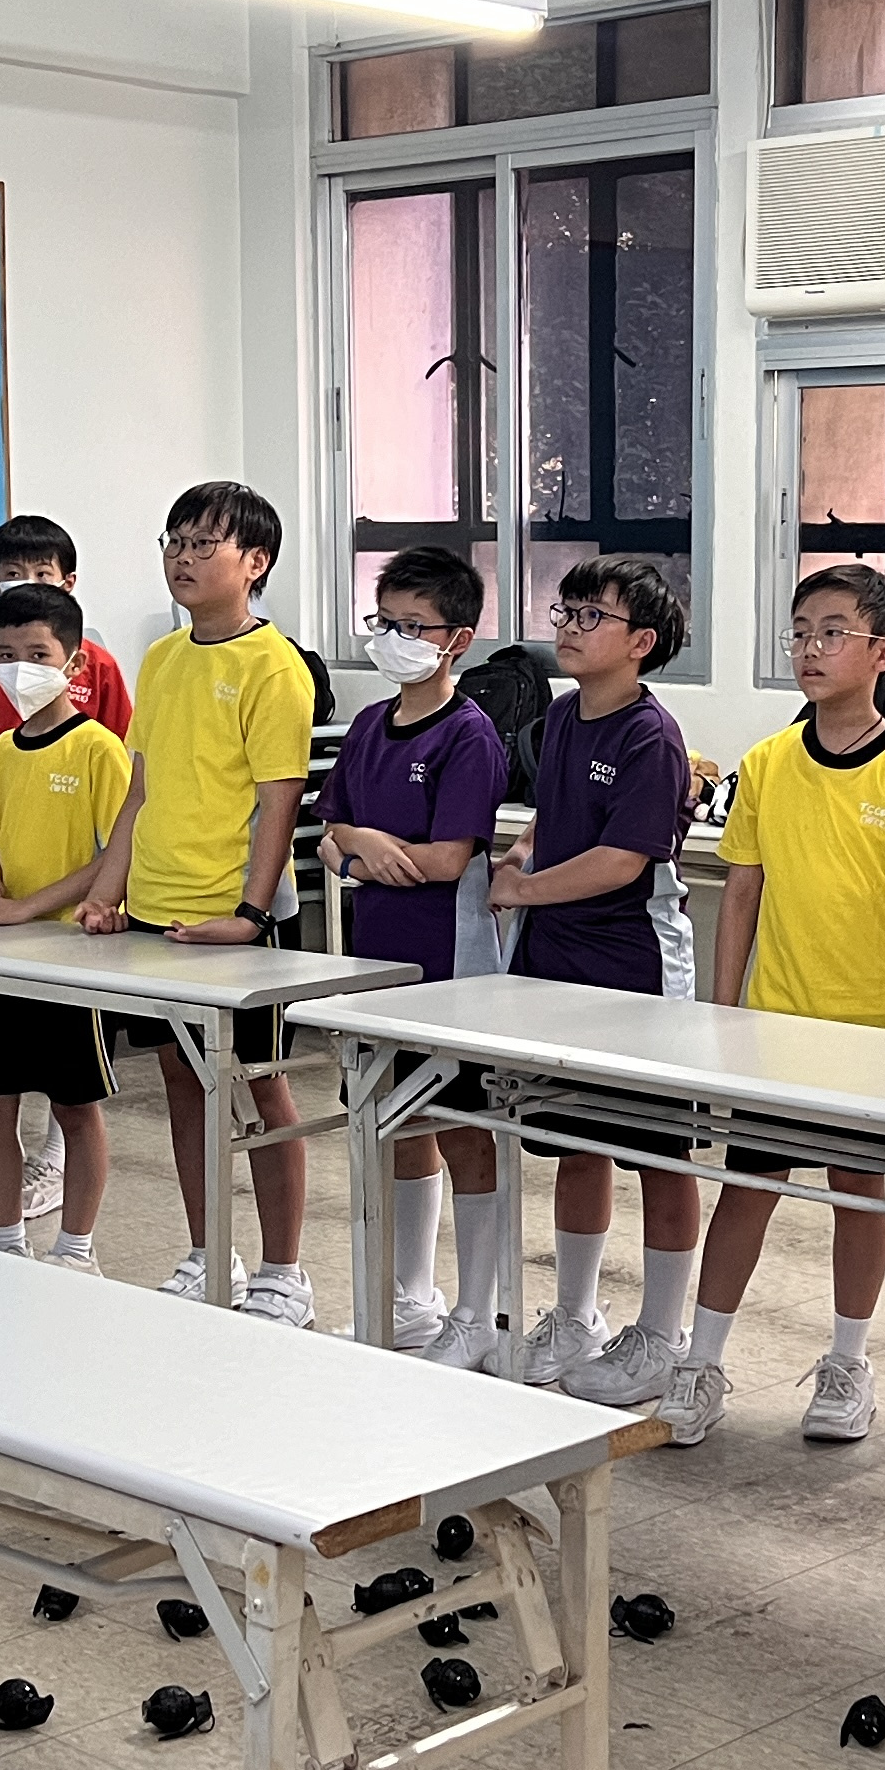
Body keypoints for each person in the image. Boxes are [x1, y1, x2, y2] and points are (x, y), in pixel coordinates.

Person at [657, 565, 885, 1447]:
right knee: (748, 1189)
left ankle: (848, 1364)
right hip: (774, 1028)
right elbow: (740, 897)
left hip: (866, 1036)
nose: (811, 649)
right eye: (800, 632)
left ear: (884, 653)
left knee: (857, 1191)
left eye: (833, 632)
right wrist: (721, 1015)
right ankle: (702, 1362)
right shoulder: (768, 764)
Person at [78, 481, 320, 1324]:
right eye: (174, 541)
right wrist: (106, 894)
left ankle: (285, 1274)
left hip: (235, 920)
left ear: (254, 563)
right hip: (156, 915)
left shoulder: (274, 667)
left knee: (261, 1088)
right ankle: (208, 1251)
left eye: (203, 544)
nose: (182, 558)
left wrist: (249, 917)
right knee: (183, 1084)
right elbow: (140, 792)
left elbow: (279, 804)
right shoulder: (164, 659)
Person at [498, 560, 705, 1402]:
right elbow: (555, 821)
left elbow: (622, 860)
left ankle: (661, 1332)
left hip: (633, 968)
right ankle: (575, 1313)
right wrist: (521, 855)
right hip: (555, 960)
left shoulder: (651, 738)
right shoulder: (559, 715)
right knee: (572, 1139)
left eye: (593, 615)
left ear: (641, 642)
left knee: (658, 1151)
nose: (571, 626)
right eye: (567, 610)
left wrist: (523, 890)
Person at [316, 546, 509, 1353]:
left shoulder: (469, 736)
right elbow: (331, 835)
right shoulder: (369, 725)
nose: (393, 638)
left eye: (413, 626)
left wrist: (358, 851)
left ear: (457, 639)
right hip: (377, 963)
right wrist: (361, 845)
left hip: (448, 965)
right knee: (396, 1121)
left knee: (461, 1127)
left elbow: (443, 861)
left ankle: (478, 1312)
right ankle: (408, 1298)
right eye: (384, 621)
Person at [0, 584, 130, 1270]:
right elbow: (1, 851)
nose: (19, 668)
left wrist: (28, 908)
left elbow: (115, 855)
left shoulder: (98, 749)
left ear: (74, 663)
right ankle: (7, 1241)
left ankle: (75, 1250)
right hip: (7, 956)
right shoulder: (2, 750)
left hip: (71, 958)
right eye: (6, 654)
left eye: (37, 654)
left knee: (74, 1108)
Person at [0, 513, 131, 821]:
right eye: (14, 572)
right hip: (4, 824)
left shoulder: (99, 664)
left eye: (42, 572)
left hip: (80, 825)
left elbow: (123, 755)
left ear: (68, 582)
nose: (28, 582)